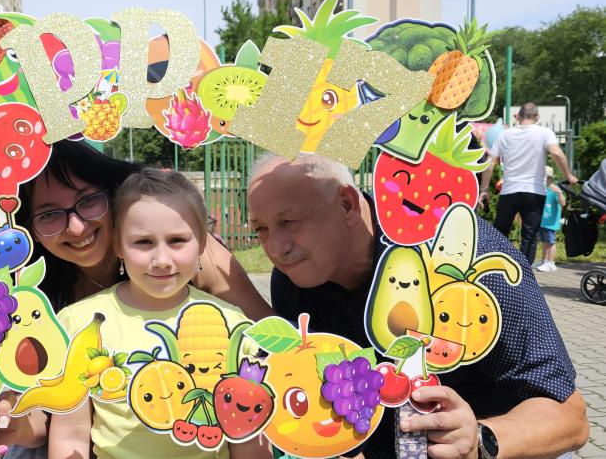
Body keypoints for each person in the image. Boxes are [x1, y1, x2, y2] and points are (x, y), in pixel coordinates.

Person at [247, 153, 588, 459]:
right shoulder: (294, 282)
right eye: (261, 229)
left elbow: (570, 417)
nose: (276, 248)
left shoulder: (463, 261)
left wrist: (479, 439)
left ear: (347, 204)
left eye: (289, 221)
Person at [0, 141, 272, 459]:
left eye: (87, 200)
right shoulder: (50, 308)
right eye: (49, 215)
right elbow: (62, 421)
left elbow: (261, 393)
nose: (76, 226)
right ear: (28, 228)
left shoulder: (230, 319)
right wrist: (7, 424)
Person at [48, 167, 271, 458]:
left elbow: (248, 436)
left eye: (177, 240)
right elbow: (70, 433)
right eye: (144, 242)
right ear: (118, 246)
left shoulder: (233, 325)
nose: (162, 260)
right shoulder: (81, 323)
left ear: (202, 243)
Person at [479, 102, 578, 265]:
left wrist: (484, 189)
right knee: (530, 236)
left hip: (509, 191)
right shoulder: (544, 132)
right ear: (537, 116)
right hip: (534, 192)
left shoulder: (504, 135)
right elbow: (556, 153)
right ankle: (524, 273)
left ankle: (494, 267)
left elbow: (490, 163)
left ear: (518, 116)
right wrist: (569, 175)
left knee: (500, 232)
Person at [536, 166, 566, 273]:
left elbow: (563, 204)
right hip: (543, 221)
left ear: (549, 177)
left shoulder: (555, 189)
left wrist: (559, 193)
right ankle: (544, 261)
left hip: (551, 222)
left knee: (551, 242)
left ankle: (551, 263)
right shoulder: (542, 189)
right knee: (545, 242)